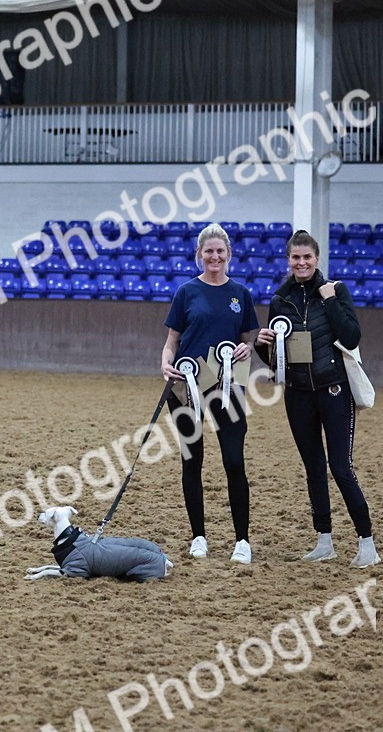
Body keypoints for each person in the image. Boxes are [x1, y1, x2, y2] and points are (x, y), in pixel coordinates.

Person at [255, 229, 379, 568]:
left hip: (335, 391)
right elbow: (275, 364)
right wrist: (261, 344)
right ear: (288, 260)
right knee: (313, 468)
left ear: (317, 258)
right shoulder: (280, 299)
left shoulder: (336, 290)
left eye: (307, 257)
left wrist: (328, 300)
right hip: (297, 395)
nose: (301, 262)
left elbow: (351, 336)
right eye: (295, 257)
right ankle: (324, 540)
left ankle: (366, 542)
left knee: (340, 467)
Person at [160, 223, 259, 564]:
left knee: (234, 461)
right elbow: (172, 342)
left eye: (220, 251)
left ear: (228, 255)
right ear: (199, 255)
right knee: (192, 461)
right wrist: (165, 366)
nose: (214, 256)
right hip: (187, 385)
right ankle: (198, 536)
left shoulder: (240, 294)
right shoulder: (186, 292)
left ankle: (242, 541)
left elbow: (249, 337)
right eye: (209, 251)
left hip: (230, 383)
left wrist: (247, 348)